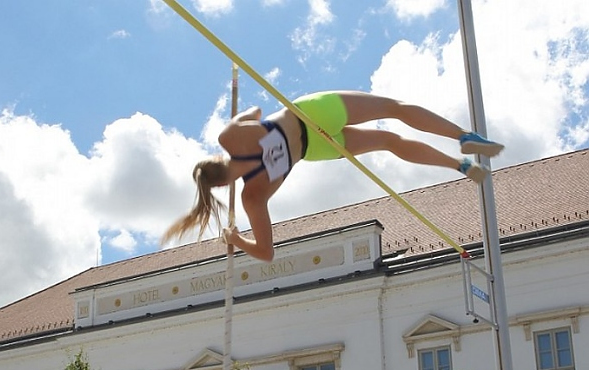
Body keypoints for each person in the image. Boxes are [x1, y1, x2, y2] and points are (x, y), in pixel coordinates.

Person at [162, 90, 504, 262]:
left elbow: (266, 252)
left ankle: (457, 167)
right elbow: (257, 112)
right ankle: (462, 136)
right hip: (310, 115)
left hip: (317, 148)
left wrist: (236, 241)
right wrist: (241, 120)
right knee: (393, 110)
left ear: (222, 186)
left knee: (387, 142)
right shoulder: (228, 139)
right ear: (216, 159)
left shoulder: (253, 194)